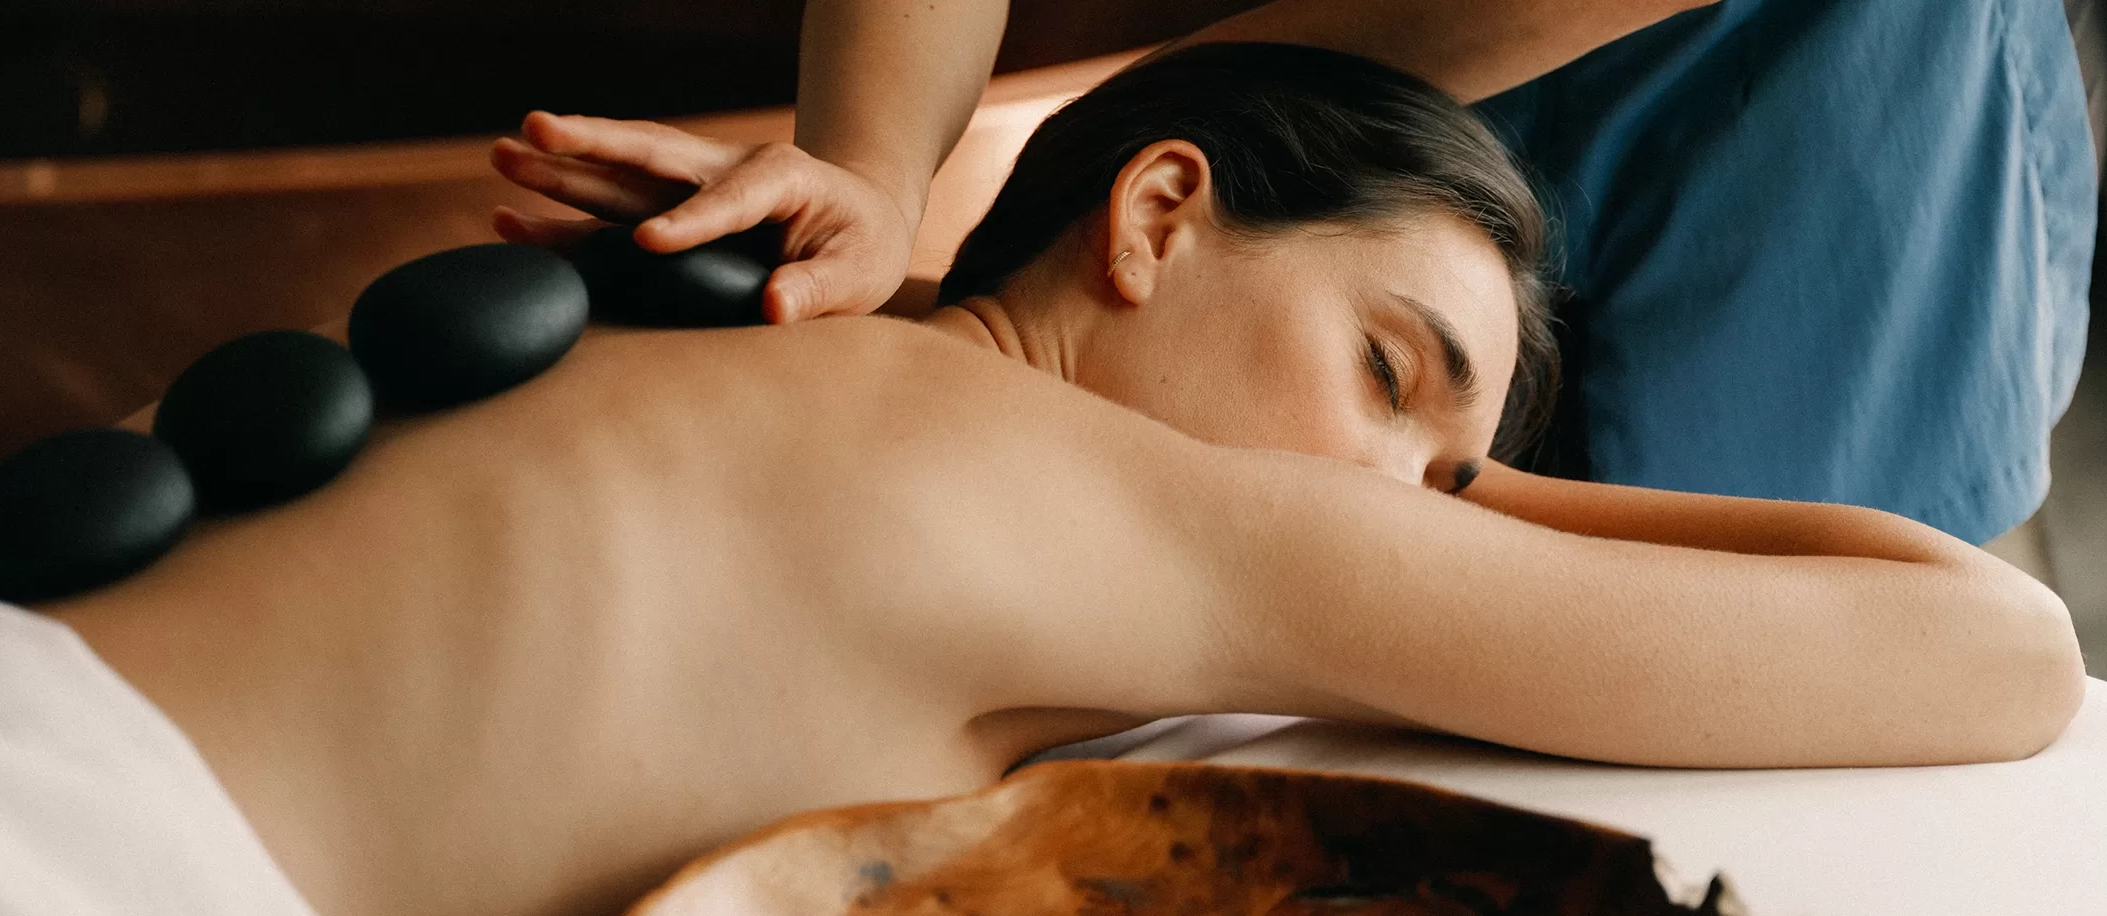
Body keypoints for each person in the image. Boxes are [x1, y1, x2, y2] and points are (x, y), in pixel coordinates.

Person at [0, 46, 2070, 916]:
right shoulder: (1067, 484)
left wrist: (1416, 467)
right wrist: (1461, 509)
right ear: (1150, 216)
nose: (1387, 480)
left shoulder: (661, 324)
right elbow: (1986, 648)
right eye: (1388, 366)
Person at [491, 0, 2096, 548]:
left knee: (1740, 708)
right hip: (1286, 129)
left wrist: (1098, 152)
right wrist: (871, 168)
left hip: (1813, 103)